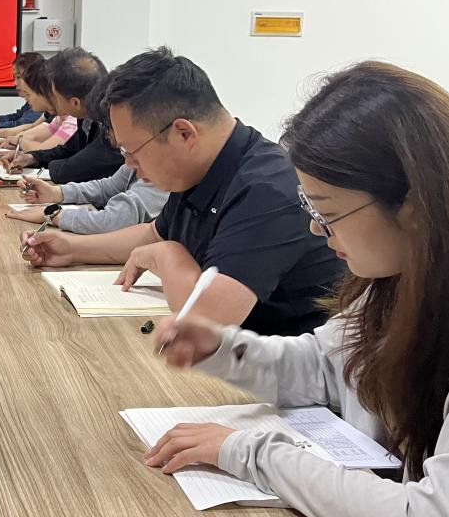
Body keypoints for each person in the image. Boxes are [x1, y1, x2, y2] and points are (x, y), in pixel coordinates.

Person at [147, 62, 449, 517]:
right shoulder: (407, 272)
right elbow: (325, 367)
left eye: (329, 212)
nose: (317, 228)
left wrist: (252, 453)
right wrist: (222, 348)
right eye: (311, 208)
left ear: (413, 204)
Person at [21, 47, 341, 336]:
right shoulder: (200, 167)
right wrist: (72, 249)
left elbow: (206, 322)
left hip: (276, 370)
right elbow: (154, 234)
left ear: (184, 134)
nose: (129, 164)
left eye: (133, 151)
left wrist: (166, 254)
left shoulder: (267, 189)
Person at [8, 80, 168, 233]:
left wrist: (54, 215)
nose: (127, 161)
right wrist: (55, 193)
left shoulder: (162, 168)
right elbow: (107, 187)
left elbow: (115, 219)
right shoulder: (136, 147)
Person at [2, 48, 122, 183]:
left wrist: (47, 167)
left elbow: (73, 169)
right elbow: (68, 150)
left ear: (75, 103)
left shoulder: (111, 125)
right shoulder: (86, 117)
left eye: (56, 97)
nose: (53, 102)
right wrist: (33, 158)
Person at [0, 58, 74, 153]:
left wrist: (19, 142)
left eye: (28, 94)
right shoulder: (60, 116)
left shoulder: (73, 119)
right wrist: (10, 141)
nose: (26, 98)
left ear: (43, 92)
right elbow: (32, 135)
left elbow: (45, 150)